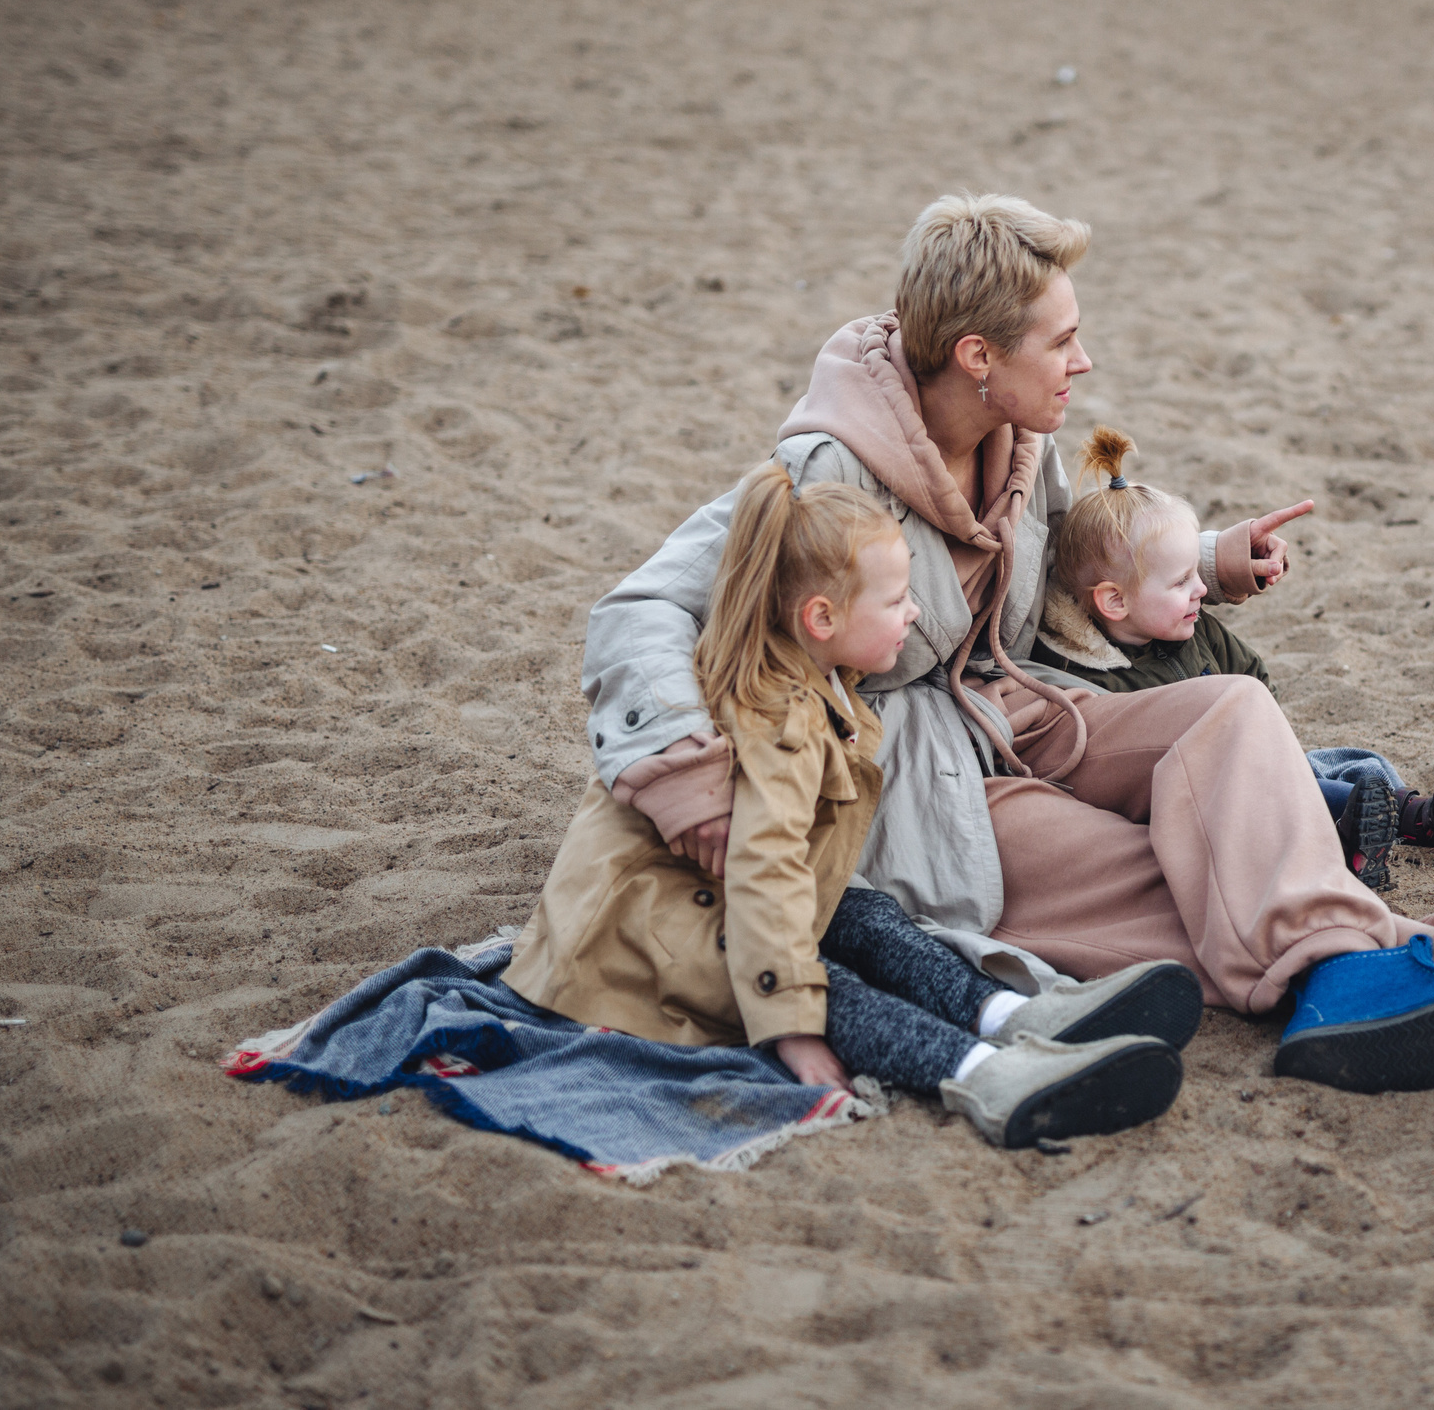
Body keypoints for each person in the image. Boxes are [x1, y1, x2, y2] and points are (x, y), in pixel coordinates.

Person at [576, 194, 1434, 1091]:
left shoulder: (1014, 446)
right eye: (1062, 340)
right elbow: (640, 610)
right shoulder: (820, 477)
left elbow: (1076, 549)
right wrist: (689, 784)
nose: (1083, 363)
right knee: (1175, 875)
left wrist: (1216, 559)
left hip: (1017, 716)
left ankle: (1389, 977)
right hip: (904, 785)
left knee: (1232, 715)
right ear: (977, 355)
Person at [504, 461, 1197, 1149]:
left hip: (705, 897)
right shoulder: (778, 721)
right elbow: (763, 881)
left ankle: (1011, 1012)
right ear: (822, 617)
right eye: (897, 601)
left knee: (870, 917)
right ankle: (984, 1070)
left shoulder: (821, 682)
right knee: (828, 983)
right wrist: (792, 1025)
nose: (915, 612)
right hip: (639, 937)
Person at [1031, 424, 1434, 890]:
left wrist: (1266, 739)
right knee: (1271, 802)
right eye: (1180, 583)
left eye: (1196, 571)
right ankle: (1352, 838)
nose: (1201, 588)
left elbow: (1253, 677)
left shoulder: (1195, 632)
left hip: (1253, 762)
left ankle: (1421, 817)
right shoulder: (1090, 682)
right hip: (1201, 796)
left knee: (1320, 771)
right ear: (1114, 601)